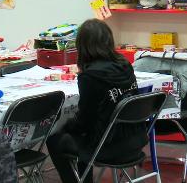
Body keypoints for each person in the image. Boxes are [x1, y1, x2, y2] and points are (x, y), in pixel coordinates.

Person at [46, 19, 148, 183]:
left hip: (109, 146)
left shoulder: (90, 76)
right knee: (80, 134)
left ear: (82, 45)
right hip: (136, 140)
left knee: (56, 140)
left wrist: (66, 126)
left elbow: (85, 121)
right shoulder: (125, 65)